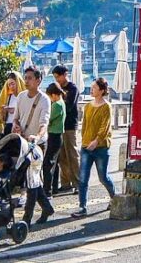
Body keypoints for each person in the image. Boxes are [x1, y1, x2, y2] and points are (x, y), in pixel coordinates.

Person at [72, 78, 116, 218]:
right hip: (86, 146)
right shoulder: (88, 106)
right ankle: (82, 207)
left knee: (103, 177)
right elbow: (84, 124)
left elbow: (105, 126)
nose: (91, 90)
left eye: (94, 88)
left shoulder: (106, 106)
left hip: (101, 147)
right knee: (83, 178)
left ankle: (114, 197)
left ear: (102, 91)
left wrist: (96, 141)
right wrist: (83, 140)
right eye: (91, 87)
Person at [13, 66, 52, 224]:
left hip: (37, 144)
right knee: (32, 179)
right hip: (23, 142)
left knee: (32, 180)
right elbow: (16, 117)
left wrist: (37, 136)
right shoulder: (21, 96)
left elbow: (44, 123)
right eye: (25, 77)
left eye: (30, 78)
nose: (26, 80)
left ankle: (27, 218)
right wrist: (16, 125)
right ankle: (47, 208)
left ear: (38, 80)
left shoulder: (44, 100)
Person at [50, 65, 80, 194]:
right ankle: (66, 183)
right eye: (55, 77)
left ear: (65, 74)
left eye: (58, 77)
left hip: (70, 126)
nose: (57, 79)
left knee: (72, 154)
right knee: (62, 156)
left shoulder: (72, 88)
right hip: (59, 126)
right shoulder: (57, 88)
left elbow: (68, 106)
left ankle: (78, 183)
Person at [43, 82, 65, 195]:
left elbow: (48, 119)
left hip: (53, 135)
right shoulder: (61, 103)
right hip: (58, 136)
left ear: (54, 94)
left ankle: (47, 190)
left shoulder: (57, 105)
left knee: (48, 163)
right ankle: (54, 187)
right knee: (54, 163)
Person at [0, 71, 23, 136]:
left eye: (13, 84)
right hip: (9, 127)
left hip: (21, 127)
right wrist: (3, 111)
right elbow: (3, 118)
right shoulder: (8, 97)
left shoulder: (24, 96)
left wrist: (13, 110)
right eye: (9, 84)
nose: (11, 86)